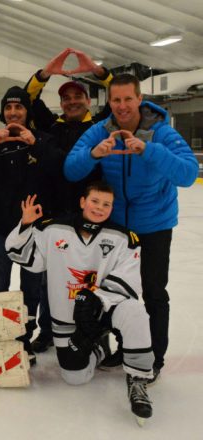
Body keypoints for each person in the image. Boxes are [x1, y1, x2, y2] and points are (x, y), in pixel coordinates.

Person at [64, 73, 198, 380]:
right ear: (109, 101)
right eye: (116, 100)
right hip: (115, 230)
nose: (122, 106)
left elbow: (188, 174)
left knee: (152, 292)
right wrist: (94, 153)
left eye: (128, 99)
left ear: (139, 99)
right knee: (117, 293)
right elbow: (71, 170)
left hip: (153, 226)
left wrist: (148, 150)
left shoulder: (162, 133)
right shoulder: (100, 131)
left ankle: (155, 357)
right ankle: (126, 349)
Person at [6, 182, 155, 425]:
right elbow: (24, 258)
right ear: (82, 202)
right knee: (74, 376)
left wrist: (97, 301)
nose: (100, 208)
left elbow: (129, 282)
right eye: (95, 201)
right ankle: (100, 348)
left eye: (106, 204)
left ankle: (138, 380)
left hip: (103, 309)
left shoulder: (123, 238)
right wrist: (25, 225)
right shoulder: (52, 229)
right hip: (66, 316)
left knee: (135, 310)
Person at [23, 48, 113, 353]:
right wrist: (46, 72)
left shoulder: (100, 125)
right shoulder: (51, 126)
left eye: (78, 97)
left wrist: (99, 72)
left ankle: (97, 334)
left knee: (93, 276)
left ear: (88, 101)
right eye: (66, 98)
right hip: (58, 215)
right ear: (61, 103)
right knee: (52, 277)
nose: (72, 101)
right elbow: (29, 100)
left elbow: (120, 99)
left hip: (93, 216)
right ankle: (48, 330)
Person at [0, 86, 59, 362]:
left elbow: (57, 170)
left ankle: (24, 337)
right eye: (9, 108)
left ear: (26, 111)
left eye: (18, 107)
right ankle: (0, 336)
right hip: (1, 228)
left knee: (30, 288)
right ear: (3, 112)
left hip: (34, 231)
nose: (13, 112)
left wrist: (36, 144)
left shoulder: (43, 139)